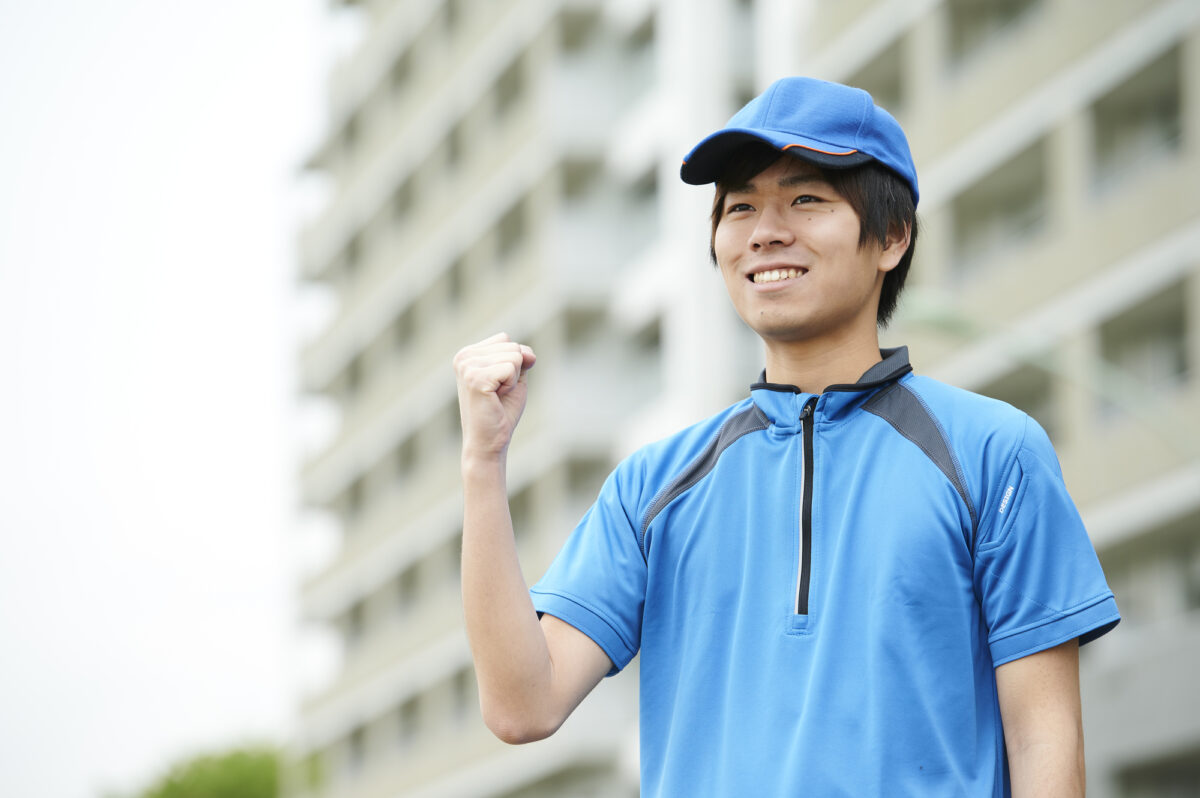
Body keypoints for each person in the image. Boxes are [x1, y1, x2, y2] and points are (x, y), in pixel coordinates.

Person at [453, 76, 1119, 796]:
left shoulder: (994, 452)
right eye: (740, 207)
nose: (766, 230)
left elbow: (1043, 740)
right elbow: (522, 706)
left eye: (806, 199)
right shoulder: (655, 484)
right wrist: (483, 463)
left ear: (892, 237)